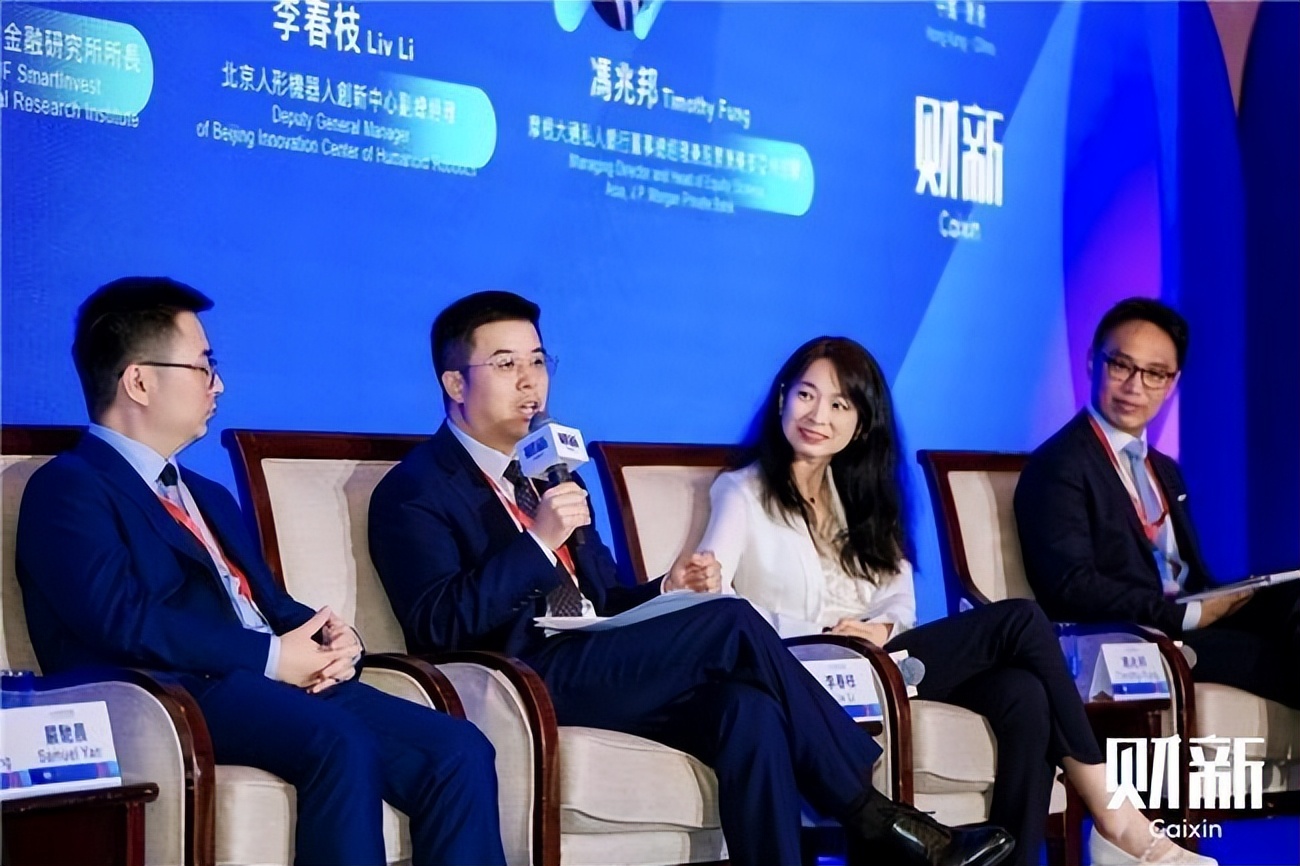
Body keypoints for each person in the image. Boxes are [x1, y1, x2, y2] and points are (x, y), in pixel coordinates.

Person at [368, 290, 1014, 866]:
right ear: (455, 382)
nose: (530, 381)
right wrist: (538, 541)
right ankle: (872, 814)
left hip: (594, 659)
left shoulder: (550, 473)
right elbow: (439, 623)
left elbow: (605, 599)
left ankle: (861, 824)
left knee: (750, 710)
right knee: (730, 618)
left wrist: (665, 588)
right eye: (506, 364)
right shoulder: (416, 489)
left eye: (538, 361)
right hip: (521, 679)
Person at [16, 277, 505, 866]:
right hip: (178, 690)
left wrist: (330, 639)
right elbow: (122, 621)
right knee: (340, 741)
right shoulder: (70, 488)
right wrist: (270, 657)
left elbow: (265, 602)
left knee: (459, 750)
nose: (218, 384)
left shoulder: (208, 494)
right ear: (139, 381)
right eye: (203, 366)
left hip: (264, 681)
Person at [692, 335, 1213, 866]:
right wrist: (816, 632)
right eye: (806, 395)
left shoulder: (863, 498)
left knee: (1025, 694)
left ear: (862, 422)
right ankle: (1116, 817)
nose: (817, 416)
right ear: (783, 397)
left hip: (881, 663)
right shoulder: (741, 492)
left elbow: (900, 602)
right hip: (805, 668)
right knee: (1020, 620)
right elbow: (719, 605)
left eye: (840, 404)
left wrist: (880, 629)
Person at [1015, 297, 1299, 711]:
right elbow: (1072, 587)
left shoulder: (1164, 468)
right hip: (1136, 637)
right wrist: (1187, 615)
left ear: (1171, 382)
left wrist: (1227, 597)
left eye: (1154, 374)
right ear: (1093, 362)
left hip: (1187, 618)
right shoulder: (1059, 465)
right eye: (1121, 366)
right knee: (1273, 659)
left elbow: (1186, 573)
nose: (1135, 387)